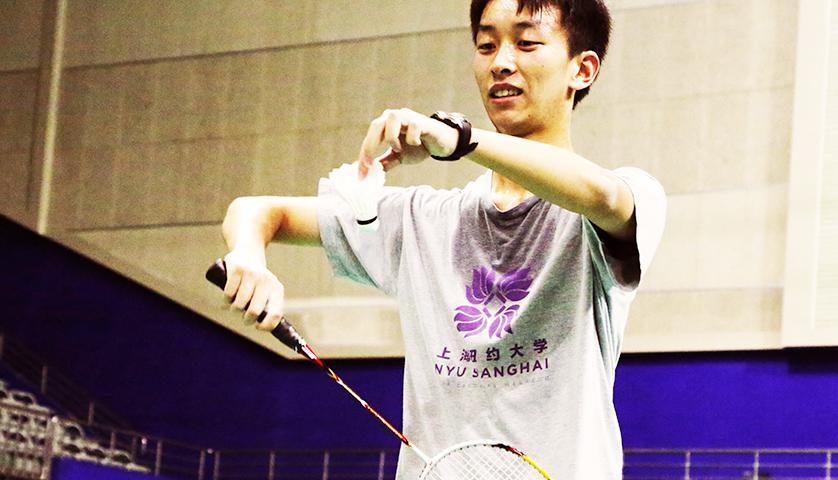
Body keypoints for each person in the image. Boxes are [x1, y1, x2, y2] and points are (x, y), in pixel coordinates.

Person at [219, 0, 666, 477]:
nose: (501, 62)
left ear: (583, 69)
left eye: (527, 42)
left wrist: (463, 141)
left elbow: (602, 195)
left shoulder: (616, 202)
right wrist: (249, 257)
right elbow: (258, 211)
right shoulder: (421, 221)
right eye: (486, 44)